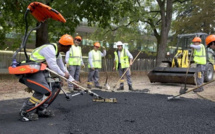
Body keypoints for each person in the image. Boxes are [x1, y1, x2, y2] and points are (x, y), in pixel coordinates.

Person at [19, 34, 76, 121]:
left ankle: (41, 109)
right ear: (65, 46)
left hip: (41, 70)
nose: (69, 49)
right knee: (43, 89)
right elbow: (53, 66)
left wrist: (72, 80)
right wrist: (64, 75)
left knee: (56, 84)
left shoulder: (58, 54)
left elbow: (62, 68)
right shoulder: (50, 49)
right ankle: (26, 110)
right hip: (33, 69)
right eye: (69, 47)